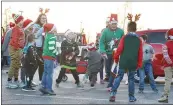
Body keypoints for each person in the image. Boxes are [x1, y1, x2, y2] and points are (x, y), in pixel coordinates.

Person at [109, 13, 143, 102]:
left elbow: (119, 50)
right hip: (133, 62)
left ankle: (113, 93)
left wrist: (116, 59)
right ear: (136, 29)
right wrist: (139, 63)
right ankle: (131, 97)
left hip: (123, 62)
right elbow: (140, 53)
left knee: (119, 77)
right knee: (131, 79)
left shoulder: (124, 38)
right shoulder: (139, 40)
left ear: (127, 29)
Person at [99, 14, 124, 82]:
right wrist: (102, 50)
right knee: (107, 65)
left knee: (114, 65)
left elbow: (123, 41)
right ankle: (108, 76)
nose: (114, 25)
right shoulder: (105, 31)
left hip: (116, 52)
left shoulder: (121, 31)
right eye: (112, 24)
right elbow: (101, 42)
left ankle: (112, 78)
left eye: (115, 24)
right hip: (107, 52)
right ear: (110, 23)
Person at [39, 23, 58, 95]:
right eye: (55, 28)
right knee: (50, 73)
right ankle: (49, 89)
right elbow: (51, 48)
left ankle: (43, 86)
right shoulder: (52, 37)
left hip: (45, 56)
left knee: (45, 72)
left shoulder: (47, 36)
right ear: (52, 30)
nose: (56, 29)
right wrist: (57, 53)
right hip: (50, 57)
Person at [6, 14, 25, 89]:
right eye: (21, 20)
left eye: (22, 20)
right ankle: (9, 81)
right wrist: (17, 48)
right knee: (14, 64)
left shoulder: (20, 28)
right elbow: (14, 39)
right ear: (18, 21)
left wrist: (21, 48)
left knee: (17, 64)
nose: (22, 21)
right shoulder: (16, 28)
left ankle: (16, 80)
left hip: (18, 48)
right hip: (14, 48)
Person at [20, 19, 37, 88]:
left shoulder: (30, 32)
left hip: (27, 51)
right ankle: (23, 81)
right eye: (31, 25)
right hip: (24, 51)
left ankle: (29, 80)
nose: (33, 26)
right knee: (24, 67)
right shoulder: (24, 32)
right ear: (28, 25)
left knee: (29, 68)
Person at [34, 8, 48, 85]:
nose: (44, 19)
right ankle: (29, 80)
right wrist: (43, 28)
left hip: (44, 47)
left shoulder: (46, 27)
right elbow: (35, 35)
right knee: (36, 64)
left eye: (45, 18)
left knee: (42, 65)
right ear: (39, 18)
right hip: (37, 47)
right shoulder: (36, 26)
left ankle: (40, 80)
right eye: (42, 18)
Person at [158, 28, 173, 103]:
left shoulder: (165, 45)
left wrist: (170, 63)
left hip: (168, 65)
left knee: (168, 81)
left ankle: (165, 96)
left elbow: (165, 55)